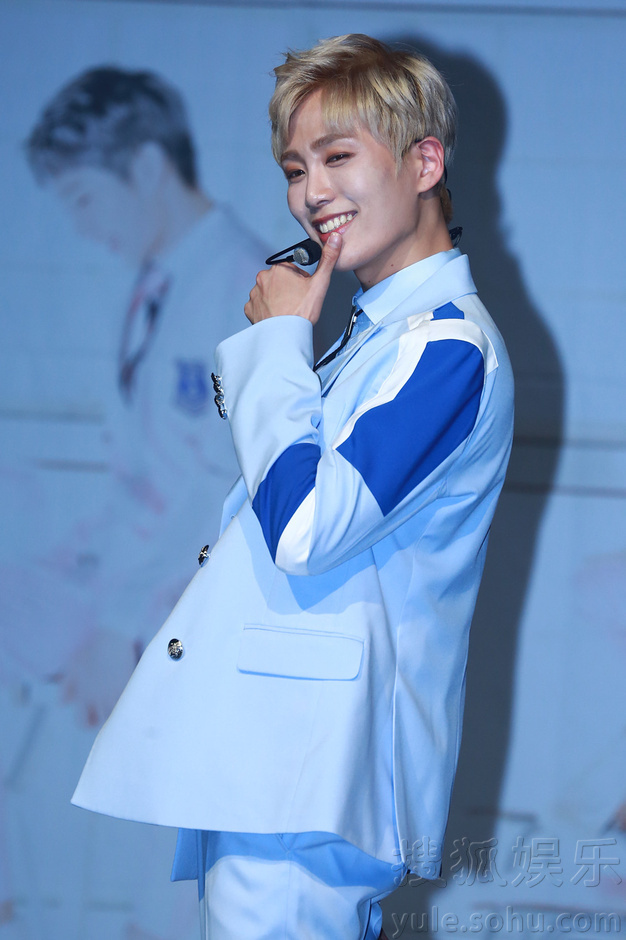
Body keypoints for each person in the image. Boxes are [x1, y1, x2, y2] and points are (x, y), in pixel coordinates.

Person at [71, 34, 514, 940]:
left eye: (338, 157)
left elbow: (306, 526)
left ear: (425, 163)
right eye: (294, 168)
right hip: (285, 765)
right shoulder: (379, 336)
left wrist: (277, 348)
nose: (312, 192)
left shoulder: (446, 347)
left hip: (310, 770)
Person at [24, 66, 265, 726]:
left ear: (149, 167)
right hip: (140, 589)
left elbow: (226, 485)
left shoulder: (246, 287)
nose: (79, 225)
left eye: (83, 198)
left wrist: (119, 624)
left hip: (191, 610)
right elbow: (145, 475)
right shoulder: (156, 288)